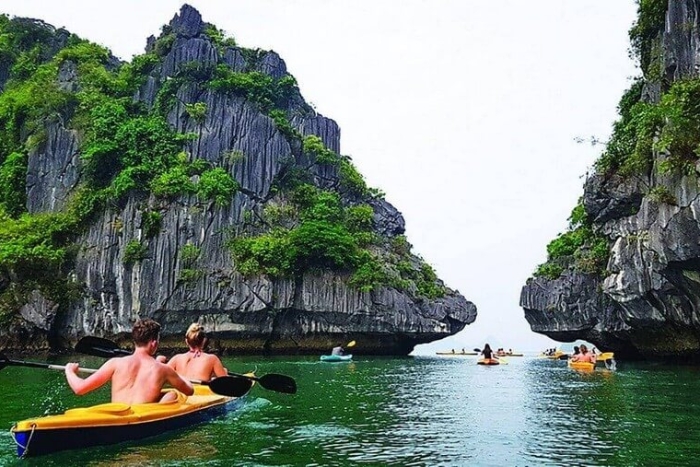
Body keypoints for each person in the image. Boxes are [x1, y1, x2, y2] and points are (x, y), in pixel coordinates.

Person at [64, 318, 194, 404]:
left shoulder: (115, 363)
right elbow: (190, 391)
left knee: (168, 394)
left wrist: (69, 371)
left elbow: (80, 388)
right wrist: (181, 375)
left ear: (135, 340)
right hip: (142, 421)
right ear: (154, 343)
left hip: (116, 416)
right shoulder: (164, 370)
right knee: (173, 394)